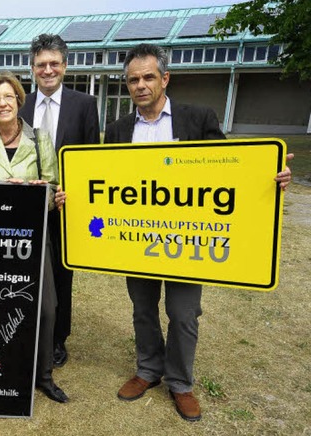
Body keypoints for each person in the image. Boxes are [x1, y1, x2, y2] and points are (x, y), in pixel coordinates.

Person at [58, 43, 292, 422]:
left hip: (186, 242)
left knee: (183, 314)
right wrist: (74, 195)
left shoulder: (198, 119)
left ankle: (181, 382)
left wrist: (270, 176)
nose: (141, 85)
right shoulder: (118, 130)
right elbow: (101, 183)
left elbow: (231, 175)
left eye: (149, 77)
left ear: (165, 78)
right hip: (135, 241)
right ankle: (148, 369)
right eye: (133, 79)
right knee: (142, 309)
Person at [0, 72, 68, 403]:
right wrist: (0, 195)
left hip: (34, 240)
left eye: (8, 97)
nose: (3, 103)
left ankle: (44, 375)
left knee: (47, 308)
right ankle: (2, 370)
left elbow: (54, 187)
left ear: (19, 100)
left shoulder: (40, 139)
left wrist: (45, 193)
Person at [19, 33, 100, 367]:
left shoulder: (84, 106)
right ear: (32, 69)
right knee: (24, 273)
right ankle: (25, 332)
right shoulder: (19, 104)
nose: (47, 70)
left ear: (65, 66)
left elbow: (91, 161)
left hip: (65, 209)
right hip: (24, 207)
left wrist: (76, 195)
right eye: (41, 65)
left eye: (54, 63)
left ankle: (57, 339)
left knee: (61, 276)